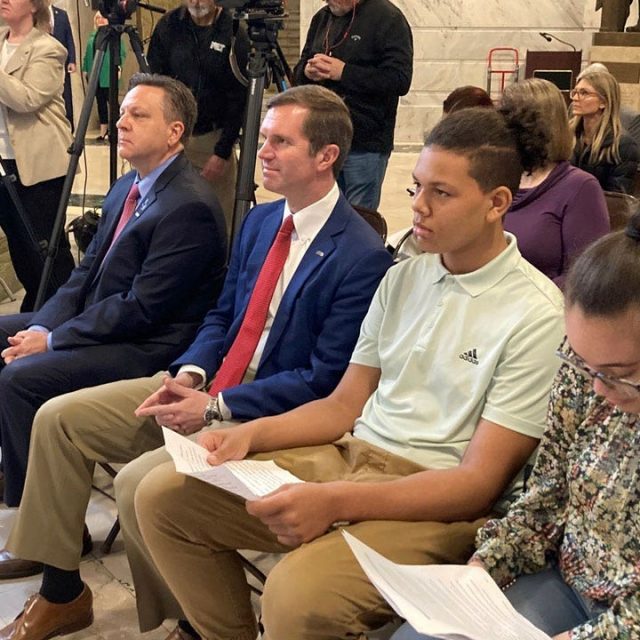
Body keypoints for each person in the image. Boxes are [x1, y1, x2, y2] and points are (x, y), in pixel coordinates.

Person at [132, 107, 565, 640]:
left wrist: (335, 500)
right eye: (416, 187)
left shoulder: (536, 314)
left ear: (497, 203)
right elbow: (343, 405)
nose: (418, 206)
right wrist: (249, 433)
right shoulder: (404, 278)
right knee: (163, 498)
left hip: (434, 500)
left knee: (295, 596)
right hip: (350, 455)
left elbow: (476, 485)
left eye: (442, 193)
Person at [0, 85, 392, 640]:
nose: (263, 153)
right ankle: (63, 592)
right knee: (58, 419)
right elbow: (221, 315)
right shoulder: (261, 221)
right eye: (263, 139)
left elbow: (322, 380)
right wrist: (190, 375)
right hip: (207, 382)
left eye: (280, 142)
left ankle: (196, 621)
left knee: (137, 484)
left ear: (326, 156)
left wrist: (216, 405)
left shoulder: (359, 254)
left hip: (265, 410)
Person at [392, 217, 640, 640]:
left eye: (618, 373)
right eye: (584, 364)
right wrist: (486, 564)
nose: (598, 388)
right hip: (571, 581)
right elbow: (548, 495)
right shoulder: (585, 372)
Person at [0, 72, 227, 508]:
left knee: (21, 379)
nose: (121, 123)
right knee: (5, 336)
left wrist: (53, 340)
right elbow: (85, 272)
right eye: (122, 113)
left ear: (174, 132)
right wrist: (44, 327)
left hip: (148, 345)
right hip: (107, 322)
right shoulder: (129, 184)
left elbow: (142, 308)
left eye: (138, 115)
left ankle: (37, 512)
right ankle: (15, 462)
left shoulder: (189, 205)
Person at [293, 0, 413, 210]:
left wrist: (344, 72)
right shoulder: (322, 17)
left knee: (358, 217)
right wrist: (307, 72)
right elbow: (300, 69)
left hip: (365, 141)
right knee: (322, 213)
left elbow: (399, 80)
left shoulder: (388, 18)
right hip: (324, 139)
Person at [147, 0, 249, 232]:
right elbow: (154, 80)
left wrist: (222, 151)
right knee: (170, 217)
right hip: (172, 136)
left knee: (219, 220)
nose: (195, 2)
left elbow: (239, 98)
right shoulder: (169, 25)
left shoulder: (233, 31)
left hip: (212, 138)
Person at [0, 0, 75, 311]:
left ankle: (66, 311)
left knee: (46, 249)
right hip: (3, 162)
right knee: (19, 246)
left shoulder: (49, 48)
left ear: (33, 6)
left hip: (39, 165)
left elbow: (27, 99)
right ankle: (35, 310)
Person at [501, 78, 610, 287]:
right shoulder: (498, 177)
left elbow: (587, 276)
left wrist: (522, 296)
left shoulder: (580, 187)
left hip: (543, 302)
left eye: (511, 122)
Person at [570, 69, 640, 194]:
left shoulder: (624, 146)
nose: (575, 98)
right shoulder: (566, 135)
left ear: (603, 102)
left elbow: (617, 198)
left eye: (584, 93)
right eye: (575, 92)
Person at [82, 12, 127, 142]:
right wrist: (85, 70)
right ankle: (103, 131)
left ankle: (117, 129)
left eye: (103, 18)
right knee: (100, 103)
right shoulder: (93, 36)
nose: (100, 20)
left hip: (108, 74)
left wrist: (119, 67)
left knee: (113, 103)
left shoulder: (113, 36)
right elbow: (87, 54)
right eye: (98, 18)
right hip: (95, 75)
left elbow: (121, 52)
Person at [50, 3, 76, 129]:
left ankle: (69, 125)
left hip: (62, 61)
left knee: (66, 95)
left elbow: (69, 38)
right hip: (45, 60)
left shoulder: (62, 14)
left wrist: (72, 60)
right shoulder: (35, 14)